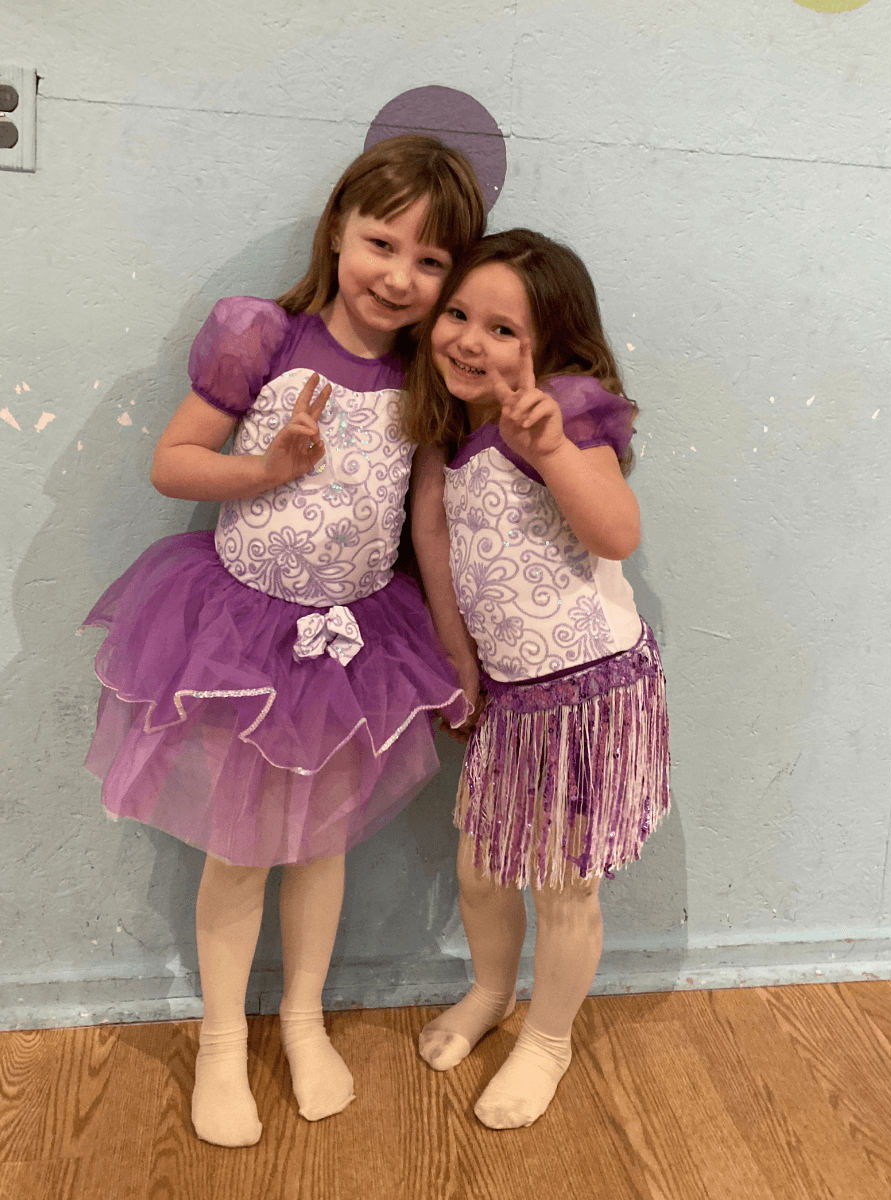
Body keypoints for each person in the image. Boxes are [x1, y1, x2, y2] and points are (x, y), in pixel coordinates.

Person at [81, 135, 486, 1147]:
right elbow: (174, 463)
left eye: (430, 260)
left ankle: (303, 1019)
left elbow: (427, 527)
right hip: (239, 638)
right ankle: (224, 1038)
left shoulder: (424, 375)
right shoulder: (264, 337)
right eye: (381, 242)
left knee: (321, 842)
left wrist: (455, 648)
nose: (399, 275)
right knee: (240, 850)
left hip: (354, 644)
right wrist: (267, 468)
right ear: (338, 230)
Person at [406, 229, 670, 1129]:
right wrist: (456, 658)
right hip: (511, 702)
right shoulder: (447, 440)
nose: (471, 341)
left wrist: (554, 448)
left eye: (504, 329)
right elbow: (436, 549)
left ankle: (549, 1037)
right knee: (481, 870)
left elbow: (617, 532)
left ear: (552, 346)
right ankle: (489, 991)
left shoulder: (560, 410)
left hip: (588, 694)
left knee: (564, 884)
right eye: (459, 315)